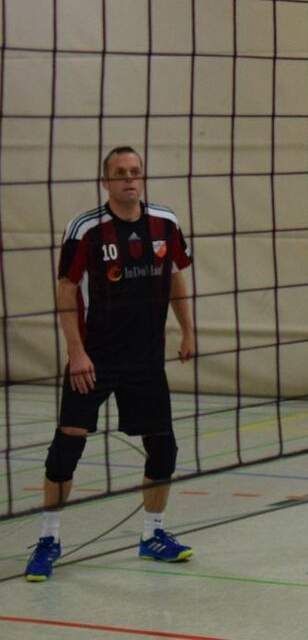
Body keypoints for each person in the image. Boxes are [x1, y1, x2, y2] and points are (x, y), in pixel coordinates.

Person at [24, 146, 197, 582]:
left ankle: (152, 536)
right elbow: (66, 290)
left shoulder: (165, 223)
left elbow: (176, 274)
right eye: (120, 173)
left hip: (145, 360)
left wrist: (188, 330)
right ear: (106, 182)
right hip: (95, 357)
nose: (129, 179)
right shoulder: (85, 230)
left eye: (135, 172)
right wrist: (76, 351)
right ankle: (48, 539)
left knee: (164, 448)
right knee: (67, 448)